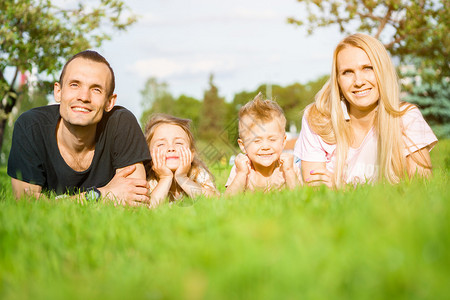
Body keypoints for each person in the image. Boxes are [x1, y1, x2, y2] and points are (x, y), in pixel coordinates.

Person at [294, 33, 438, 188]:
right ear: (337, 81)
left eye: (368, 68)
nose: (359, 81)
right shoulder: (318, 117)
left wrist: (339, 189)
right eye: (347, 72)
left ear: (383, 71)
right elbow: (315, 190)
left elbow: (422, 188)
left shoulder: (406, 118)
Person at [8, 50, 151, 205]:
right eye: (74, 85)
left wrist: (55, 204)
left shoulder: (121, 123)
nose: (83, 97)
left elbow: (136, 200)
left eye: (96, 89)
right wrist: (102, 195)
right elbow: (26, 204)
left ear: (109, 102)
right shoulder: (31, 127)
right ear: (58, 92)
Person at [225, 93, 302, 195]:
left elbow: (300, 196)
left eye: (272, 140)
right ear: (243, 146)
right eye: (257, 141)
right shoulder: (241, 168)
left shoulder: (288, 167)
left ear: (283, 142)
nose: (265, 147)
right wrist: (241, 174)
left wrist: (289, 171)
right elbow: (228, 200)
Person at [144, 114, 219, 207]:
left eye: (179, 143)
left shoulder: (197, 172)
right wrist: (165, 178)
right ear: (149, 154)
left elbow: (214, 201)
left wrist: (183, 178)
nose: (171, 148)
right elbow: (148, 209)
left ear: (191, 154)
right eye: (161, 144)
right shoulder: (147, 179)